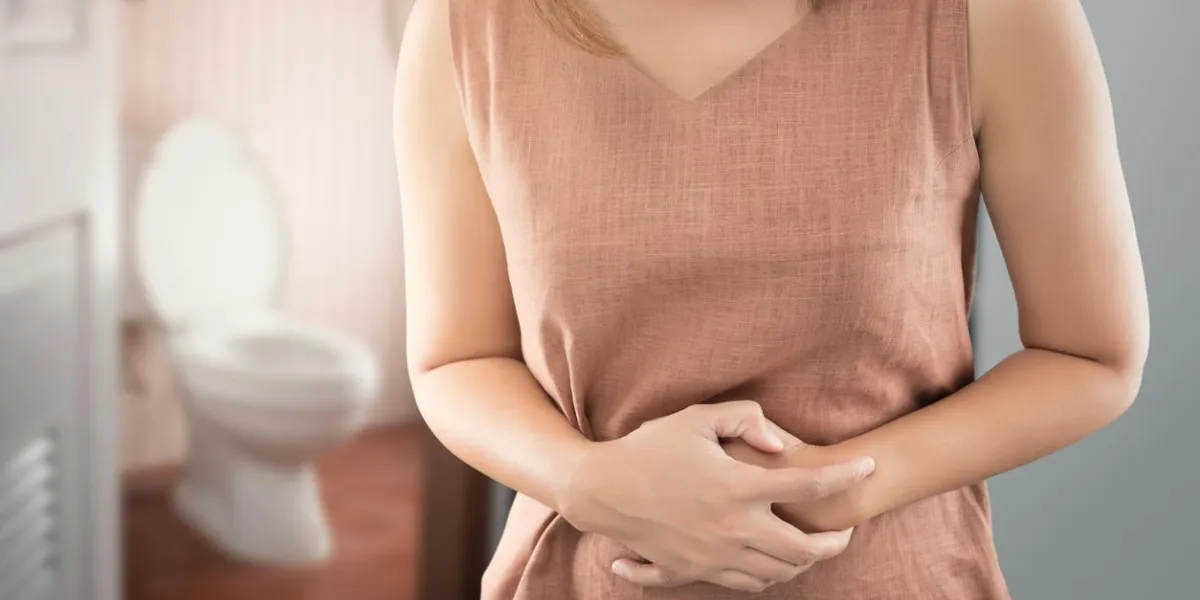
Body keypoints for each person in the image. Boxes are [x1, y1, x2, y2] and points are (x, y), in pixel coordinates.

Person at [393, 0, 1149, 597]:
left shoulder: (995, 13)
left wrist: (836, 490)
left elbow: (1091, 355)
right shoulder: (465, 26)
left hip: (893, 580)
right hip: (582, 579)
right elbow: (456, 359)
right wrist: (584, 481)